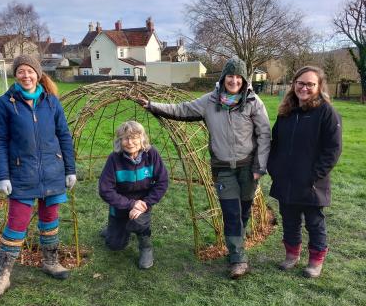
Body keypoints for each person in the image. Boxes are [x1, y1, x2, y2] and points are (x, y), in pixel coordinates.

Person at [140, 57, 271, 278]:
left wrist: (260, 166)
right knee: (231, 213)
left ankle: (237, 242)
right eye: (230, 75)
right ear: (223, 77)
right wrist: (153, 106)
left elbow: (265, 135)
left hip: (248, 167)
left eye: (239, 76)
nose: (234, 80)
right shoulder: (210, 101)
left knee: (243, 211)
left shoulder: (253, 102)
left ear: (245, 79)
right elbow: (182, 109)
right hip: (223, 168)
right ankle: (238, 259)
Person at [0, 55, 77, 300]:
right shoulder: (5, 104)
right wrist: (3, 175)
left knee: (49, 220)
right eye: (21, 72)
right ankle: (2, 276)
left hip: (52, 172)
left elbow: (64, 136)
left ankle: (50, 262)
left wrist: (70, 169)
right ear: (16, 75)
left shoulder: (51, 102)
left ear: (38, 74)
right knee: (16, 224)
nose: (26, 76)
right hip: (22, 174)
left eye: (30, 71)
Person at [267, 66, 342, 278]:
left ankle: (315, 262)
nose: (305, 88)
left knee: (314, 223)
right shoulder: (286, 113)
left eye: (310, 84)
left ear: (319, 87)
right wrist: (275, 169)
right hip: (286, 180)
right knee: (289, 220)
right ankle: (291, 255)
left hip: (311, 183)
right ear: (294, 84)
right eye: (301, 83)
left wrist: (313, 176)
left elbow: (333, 150)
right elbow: (276, 143)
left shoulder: (327, 113)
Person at [99, 121, 168, 269]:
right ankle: (113, 230)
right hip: (120, 206)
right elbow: (105, 189)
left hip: (143, 204)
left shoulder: (152, 154)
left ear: (142, 138)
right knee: (115, 245)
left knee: (138, 221)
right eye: (125, 138)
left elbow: (162, 182)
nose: (130, 142)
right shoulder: (114, 159)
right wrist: (130, 204)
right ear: (120, 141)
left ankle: (146, 247)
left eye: (134, 137)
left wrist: (145, 204)